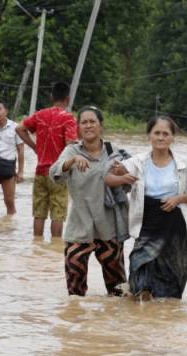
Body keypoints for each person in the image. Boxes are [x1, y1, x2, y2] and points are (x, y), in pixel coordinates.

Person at [106, 116, 187, 299]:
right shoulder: (138, 162)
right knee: (138, 265)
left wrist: (179, 198)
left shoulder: (184, 164)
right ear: (149, 136)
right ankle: (142, 314)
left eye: (165, 134)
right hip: (147, 224)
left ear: (172, 138)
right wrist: (121, 177)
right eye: (156, 133)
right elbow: (109, 178)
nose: (160, 137)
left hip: (175, 227)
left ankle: (165, 318)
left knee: (173, 276)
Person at [49, 106, 127, 296]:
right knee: (75, 293)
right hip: (80, 225)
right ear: (78, 127)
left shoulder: (112, 150)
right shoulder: (72, 150)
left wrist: (123, 173)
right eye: (84, 122)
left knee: (117, 290)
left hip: (109, 227)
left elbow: (130, 181)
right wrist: (72, 161)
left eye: (93, 121)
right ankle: (77, 323)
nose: (88, 125)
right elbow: (54, 174)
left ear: (101, 126)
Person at [16, 82, 77, 238]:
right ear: (68, 99)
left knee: (39, 214)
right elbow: (71, 145)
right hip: (59, 172)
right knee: (58, 214)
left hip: (40, 171)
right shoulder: (68, 118)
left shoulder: (40, 115)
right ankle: (55, 248)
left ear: (52, 97)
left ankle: (37, 246)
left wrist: (35, 147)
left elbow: (19, 129)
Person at [0, 100, 24, 215]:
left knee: (10, 203)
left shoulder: (15, 127)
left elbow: (21, 150)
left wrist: (20, 172)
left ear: (6, 111)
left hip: (8, 168)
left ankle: (9, 229)